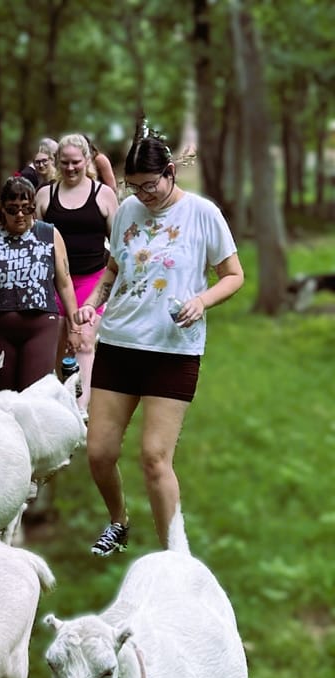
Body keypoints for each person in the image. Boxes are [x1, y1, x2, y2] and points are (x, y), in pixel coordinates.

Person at [73, 122, 244, 556]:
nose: (142, 196)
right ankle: (119, 523)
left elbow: (234, 276)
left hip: (172, 351)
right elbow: (113, 270)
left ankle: (174, 556)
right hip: (119, 343)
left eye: (149, 186)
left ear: (170, 172)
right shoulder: (129, 210)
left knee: (153, 457)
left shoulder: (203, 213)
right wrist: (93, 302)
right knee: (99, 452)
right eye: (135, 187)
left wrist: (202, 301)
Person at [0, 175, 80, 392]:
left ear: (34, 206)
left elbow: (65, 283)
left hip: (40, 323)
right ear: (2, 208)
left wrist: (75, 327)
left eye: (26, 208)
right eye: (13, 209)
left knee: (34, 393)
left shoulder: (49, 234)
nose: (20, 215)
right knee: (3, 395)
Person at [35, 133, 119, 411]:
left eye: (75, 162)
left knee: (83, 341)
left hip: (92, 281)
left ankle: (81, 414)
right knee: (57, 343)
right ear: (57, 162)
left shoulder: (103, 194)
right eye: (65, 162)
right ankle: (58, 403)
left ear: (86, 160)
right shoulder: (46, 195)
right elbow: (33, 243)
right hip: (54, 281)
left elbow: (118, 245)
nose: (70, 168)